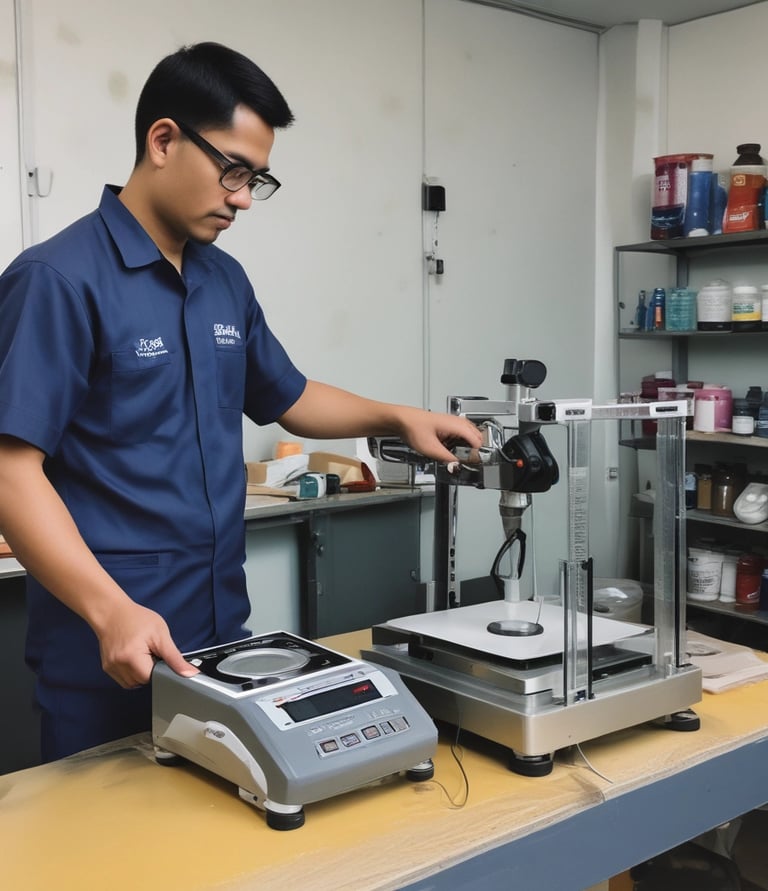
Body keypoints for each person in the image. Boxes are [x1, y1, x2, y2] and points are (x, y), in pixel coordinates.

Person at [0, 42, 481, 762]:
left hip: (223, 649)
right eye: (232, 170)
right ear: (163, 140)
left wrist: (397, 416)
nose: (244, 198)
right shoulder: (58, 280)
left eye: (258, 178)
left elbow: (288, 396)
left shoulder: (223, 280)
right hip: (107, 659)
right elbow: (11, 472)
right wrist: (111, 613)